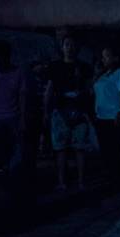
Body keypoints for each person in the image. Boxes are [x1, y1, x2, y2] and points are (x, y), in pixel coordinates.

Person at [44, 35, 92, 191]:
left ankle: (81, 181)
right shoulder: (55, 66)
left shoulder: (84, 67)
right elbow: (49, 89)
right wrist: (47, 110)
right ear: (62, 47)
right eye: (67, 44)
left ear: (77, 48)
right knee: (60, 148)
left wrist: (85, 105)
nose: (69, 48)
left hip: (79, 111)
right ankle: (61, 181)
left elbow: (89, 89)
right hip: (59, 111)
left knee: (80, 148)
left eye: (72, 45)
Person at [0, 41, 26, 192]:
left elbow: (22, 96)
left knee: (15, 155)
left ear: (7, 57)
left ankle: (11, 185)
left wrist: (23, 119)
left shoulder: (18, 72)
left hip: (12, 117)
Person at [93, 47, 120, 188]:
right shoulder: (103, 75)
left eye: (107, 56)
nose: (104, 59)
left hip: (113, 117)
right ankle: (110, 177)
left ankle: (117, 180)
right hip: (101, 116)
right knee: (105, 150)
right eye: (103, 57)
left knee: (114, 149)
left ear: (115, 58)